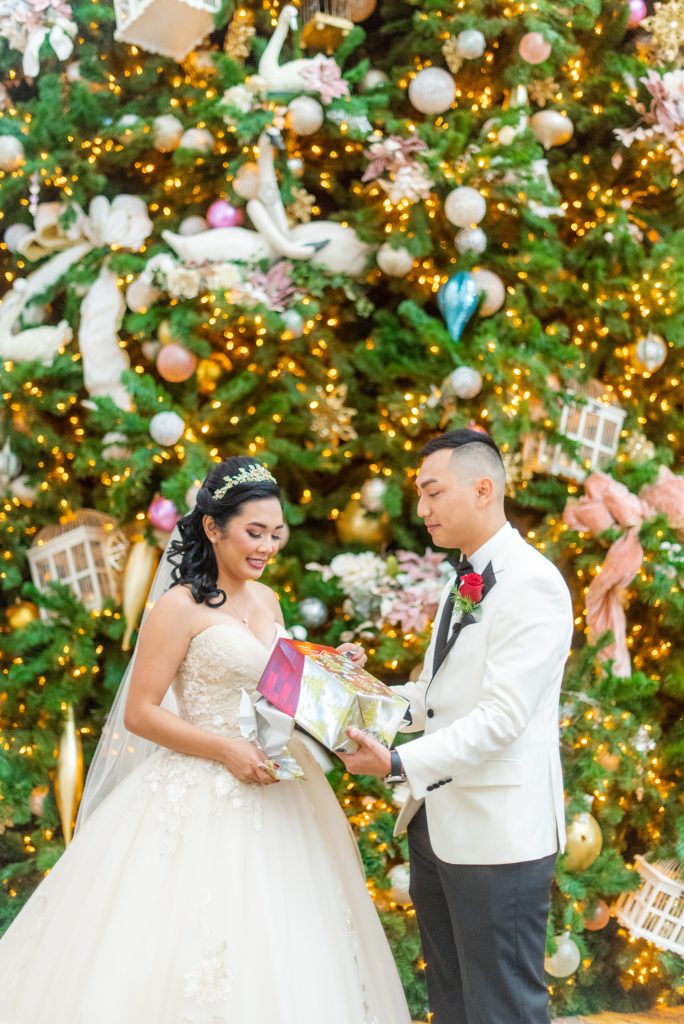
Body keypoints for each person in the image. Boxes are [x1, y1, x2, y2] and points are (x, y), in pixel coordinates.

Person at [0, 456, 411, 1024]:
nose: (266, 546)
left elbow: (276, 690)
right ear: (214, 528)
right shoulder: (178, 608)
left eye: (275, 533)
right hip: (197, 785)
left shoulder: (267, 600)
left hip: (277, 783)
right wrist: (224, 749)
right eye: (254, 532)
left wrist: (331, 670)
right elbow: (141, 713)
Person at [340, 429, 573, 1024]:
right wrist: (356, 692)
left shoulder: (533, 583)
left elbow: (501, 720)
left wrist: (396, 763)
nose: (421, 509)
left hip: (500, 836)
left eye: (432, 492)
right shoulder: (464, 579)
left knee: (503, 1009)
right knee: (453, 1001)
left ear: (484, 489)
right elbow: (434, 696)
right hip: (437, 824)